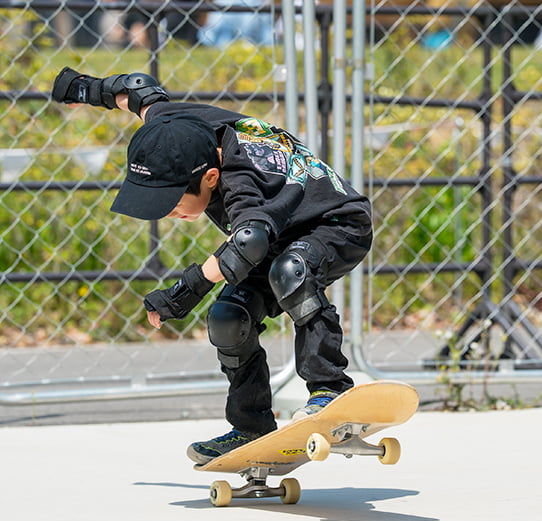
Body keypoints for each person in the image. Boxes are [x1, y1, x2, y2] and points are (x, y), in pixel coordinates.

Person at [50, 67, 372, 464]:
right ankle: (251, 427)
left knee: (290, 271)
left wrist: (182, 293)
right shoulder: (171, 127)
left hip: (336, 223)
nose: (168, 214)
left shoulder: (241, 183)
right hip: (278, 233)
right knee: (228, 316)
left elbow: (249, 243)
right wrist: (84, 89)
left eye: (173, 203)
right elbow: (137, 91)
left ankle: (330, 388)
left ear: (212, 176)